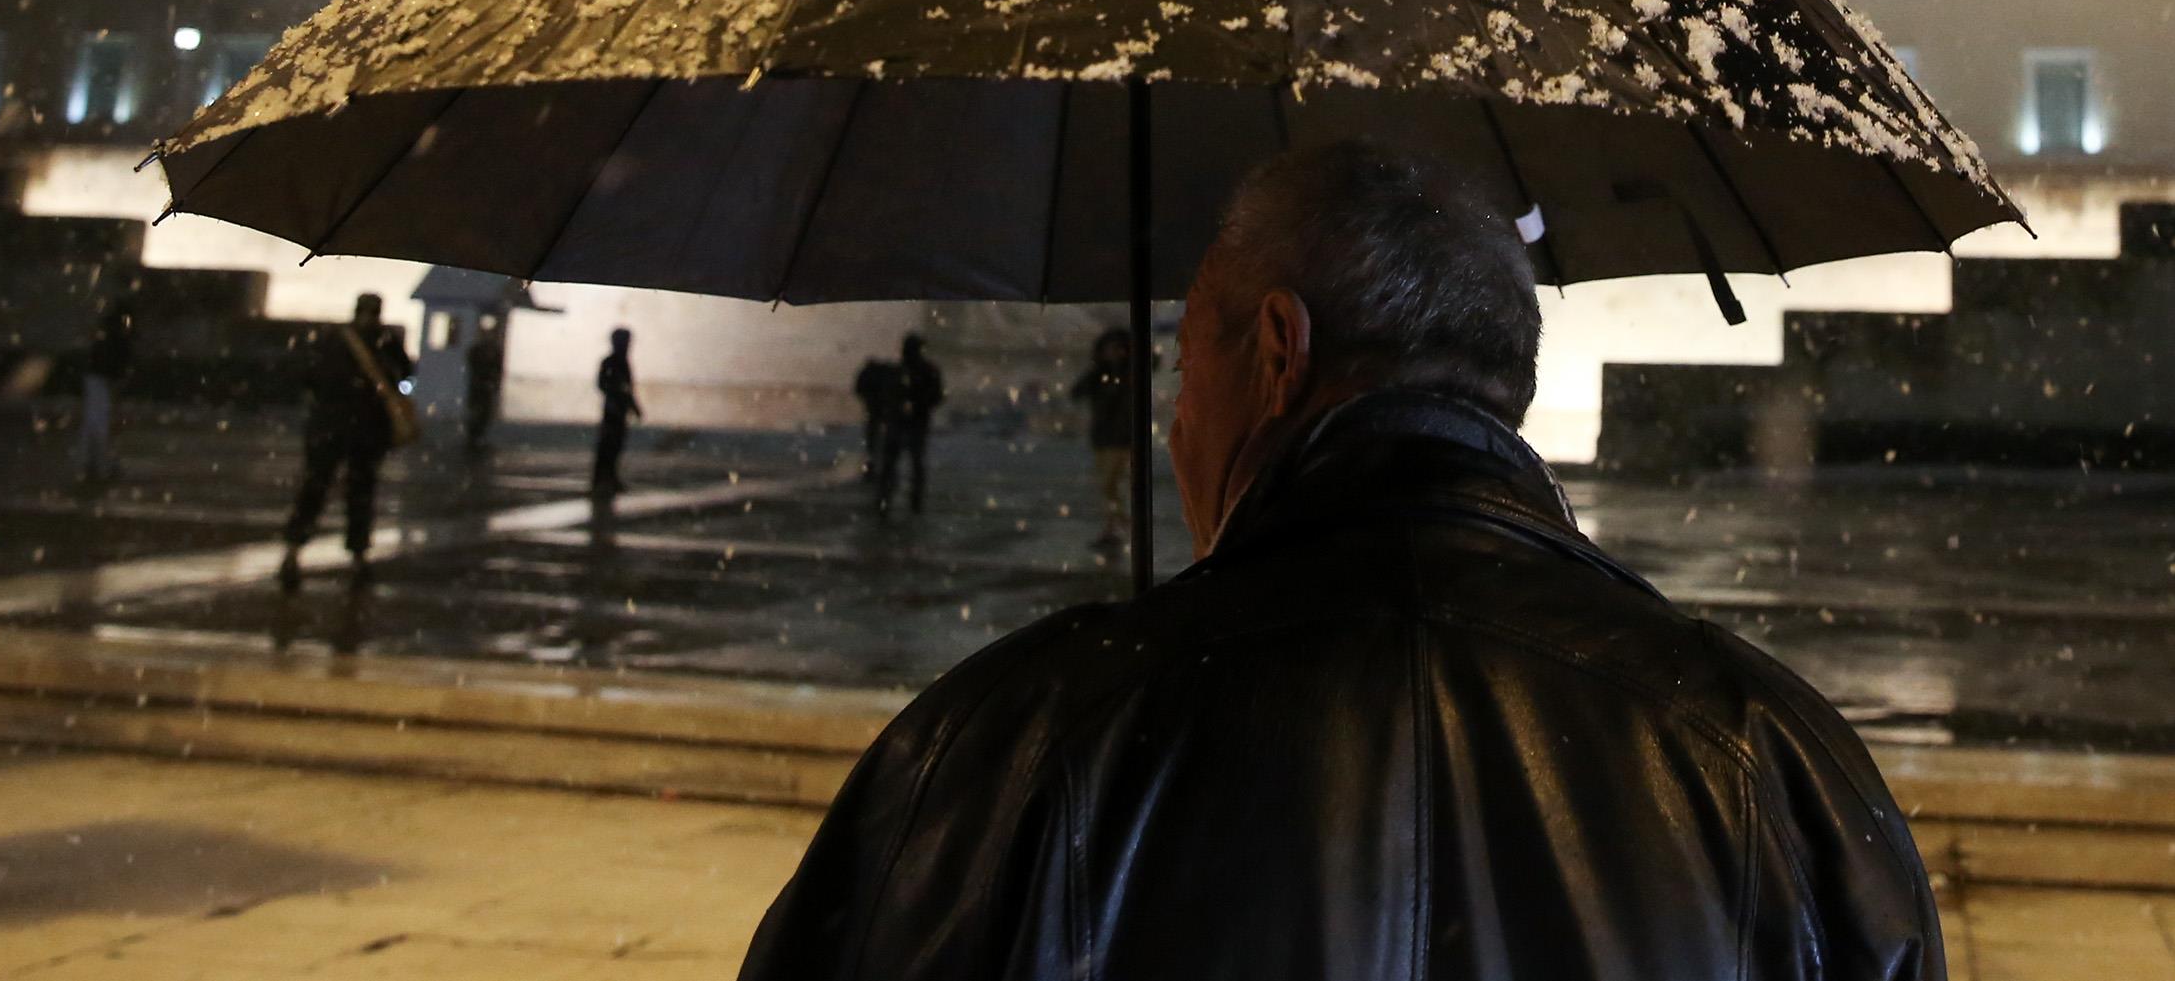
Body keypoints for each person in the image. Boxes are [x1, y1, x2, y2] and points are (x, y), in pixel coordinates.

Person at [739, 140, 1942, 979]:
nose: (1171, 418)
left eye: (1182, 358)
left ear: (1276, 347)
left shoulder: (1013, 745)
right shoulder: (1768, 760)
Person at [278, 293, 414, 591]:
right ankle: (357, 558)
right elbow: (406, 373)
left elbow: (307, 376)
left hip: (328, 429)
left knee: (315, 489)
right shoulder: (384, 341)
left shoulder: (332, 340)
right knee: (360, 493)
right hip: (365, 431)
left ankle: (293, 552)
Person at [855, 333, 943, 518]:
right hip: (909, 424)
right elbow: (935, 397)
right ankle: (903, 502)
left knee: (897, 465)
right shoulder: (918, 371)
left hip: (903, 423)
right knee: (907, 465)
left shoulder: (901, 371)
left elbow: (881, 395)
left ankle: (889, 501)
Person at [1067, 325, 1135, 554]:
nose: (1113, 353)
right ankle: (1115, 526)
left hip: (1123, 439)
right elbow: (1076, 392)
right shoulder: (1098, 374)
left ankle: (1118, 526)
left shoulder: (1130, 373)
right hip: (1104, 438)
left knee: (1111, 486)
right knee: (1109, 488)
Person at [73, 297, 134, 487]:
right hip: (101, 378)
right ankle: (100, 464)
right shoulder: (119, 336)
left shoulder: (111, 333)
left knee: (96, 423)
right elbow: (115, 364)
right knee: (100, 424)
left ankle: (94, 463)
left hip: (97, 377)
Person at [592, 327, 643, 494]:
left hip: (618, 411)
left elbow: (627, 389)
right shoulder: (611, 362)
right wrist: (618, 397)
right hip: (612, 411)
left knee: (615, 446)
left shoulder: (621, 362)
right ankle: (602, 480)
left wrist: (634, 407)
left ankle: (609, 478)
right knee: (608, 446)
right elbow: (602, 384)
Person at [463, 310, 507, 456]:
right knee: (479, 412)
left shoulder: (488, 350)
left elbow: (496, 368)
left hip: (483, 387)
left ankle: (476, 437)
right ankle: (474, 437)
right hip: (481, 386)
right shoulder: (482, 350)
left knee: (482, 413)